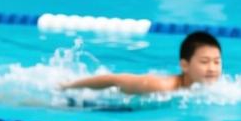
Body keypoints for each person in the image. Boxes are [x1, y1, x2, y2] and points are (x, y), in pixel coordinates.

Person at [61, 31, 223, 96]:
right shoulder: (160, 86)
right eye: (204, 62)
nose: (212, 68)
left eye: (217, 62)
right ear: (184, 65)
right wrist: (68, 86)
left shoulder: (218, 89)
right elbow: (114, 79)